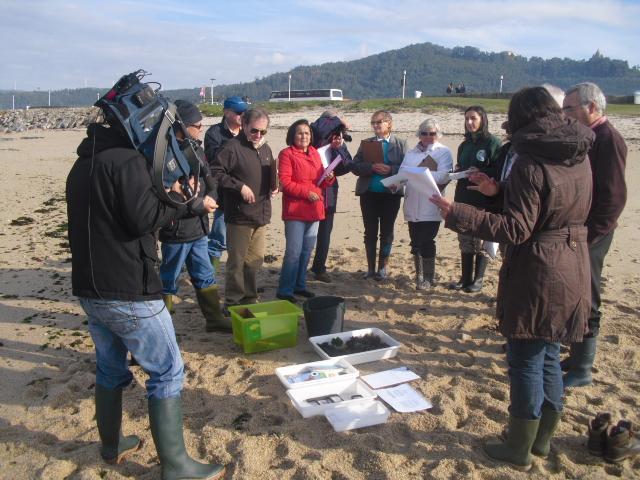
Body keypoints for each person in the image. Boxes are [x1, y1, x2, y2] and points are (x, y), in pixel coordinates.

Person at [431, 86, 594, 470]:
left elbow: (518, 228)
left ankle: (518, 447)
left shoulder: (530, 160)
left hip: (538, 267)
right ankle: (541, 442)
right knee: (550, 354)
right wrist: (501, 190)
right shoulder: (579, 155)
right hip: (573, 261)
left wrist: (460, 213)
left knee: (525, 357)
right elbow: (552, 207)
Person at [66, 110, 223, 476]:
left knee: (109, 367)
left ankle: (111, 445)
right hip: (129, 289)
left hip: (90, 288)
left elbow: (119, 213)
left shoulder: (83, 163)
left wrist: (164, 196)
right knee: (168, 371)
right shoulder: (127, 162)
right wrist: (188, 203)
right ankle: (176, 465)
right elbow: (141, 218)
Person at [561, 82, 628, 388]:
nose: (564, 115)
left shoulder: (608, 139)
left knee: (588, 298)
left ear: (591, 107)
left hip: (592, 234)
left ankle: (583, 367)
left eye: (569, 108)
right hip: (578, 231)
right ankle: (575, 356)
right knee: (574, 296)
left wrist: (590, 237)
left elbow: (613, 198)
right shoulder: (587, 136)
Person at [158, 100, 227, 332]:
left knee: (205, 274)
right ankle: (162, 326)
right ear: (183, 125)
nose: (201, 129)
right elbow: (167, 196)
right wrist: (198, 203)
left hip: (198, 228)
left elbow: (209, 179)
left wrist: (210, 197)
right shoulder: (164, 155)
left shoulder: (195, 148)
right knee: (169, 279)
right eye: (197, 125)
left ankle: (214, 319)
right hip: (176, 230)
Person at [212, 108, 277, 312]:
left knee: (253, 262)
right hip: (239, 215)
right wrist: (239, 186)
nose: (258, 135)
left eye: (263, 132)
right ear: (245, 126)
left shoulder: (265, 148)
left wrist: (276, 187)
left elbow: (269, 175)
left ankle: (249, 298)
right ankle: (232, 302)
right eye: (255, 131)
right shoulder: (232, 147)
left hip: (261, 213)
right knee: (236, 263)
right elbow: (214, 172)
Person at [276, 119, 335, 302]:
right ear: (293, 135)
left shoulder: (315, 154)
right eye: (300, 133)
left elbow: (320, 181)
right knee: (293, 251)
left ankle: (299, 285)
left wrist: (329, 178)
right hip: (295, 209)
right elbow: (285, 183)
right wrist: (306, 192)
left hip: (315, 207)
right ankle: (285, 290)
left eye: (307, 133)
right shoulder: (287, 154)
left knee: (306, 250)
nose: (304, 136)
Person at [449, 105, 502, 293]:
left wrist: (480, 171)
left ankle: (478, 280)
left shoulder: (492, 143)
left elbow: (498, 170)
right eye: (467, 119)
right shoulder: (464, 145)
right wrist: (458, 171)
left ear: (482, 120)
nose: (469, 122)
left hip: (482, 198)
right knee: (465, 238)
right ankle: (465, 278)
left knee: (481, 240)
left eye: (473, 118)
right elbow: (461, 166)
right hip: (463, 195)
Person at [396, 118, 453, 289]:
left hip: (431, 202)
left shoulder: (443, 152)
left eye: (432, 133)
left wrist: (419, 174)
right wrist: (403, 179)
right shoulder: (411, 153)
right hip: (413, 201)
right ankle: (419, 275)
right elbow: (402, 173)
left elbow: (444, 176)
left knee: (428, 240)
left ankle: (429, 278)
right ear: (419, 134)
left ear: (438, 134)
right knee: (415, 241)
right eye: (424, 133)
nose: (428, 137)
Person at [352, 110, 408, 280]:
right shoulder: (366, 143)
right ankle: (370, 269)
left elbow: (408, 170)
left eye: (379, 122)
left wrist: (391, 169)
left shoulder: (401, 144)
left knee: (387, 232)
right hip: (368, 194)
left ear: (388, 123)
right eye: (373, 123)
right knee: (369, 232)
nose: (375, 125)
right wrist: (371, 167)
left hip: (390, 195)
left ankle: (382, 268)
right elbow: (354, 166)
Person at [203, 96, 249, 273]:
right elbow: (217, 163)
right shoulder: (214, 133)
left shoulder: (247, 131)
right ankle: (209, 276)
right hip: (223, 195)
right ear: (226, 113)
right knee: (218, 239)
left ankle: (237, 272)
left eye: (245, 112)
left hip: (243, 195)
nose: (242, 115)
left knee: (241, 241)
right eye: (238, 113)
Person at [309, 110, 353, 283]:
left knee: (325, 232)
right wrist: (338, 121)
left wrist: (339, 148)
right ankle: (310, 267)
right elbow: (320, 127)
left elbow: (346, 166)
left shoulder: (337, 141)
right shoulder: (314, 133)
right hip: (311, 189)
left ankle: (319, 267)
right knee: (308, 232)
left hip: (329, 190)